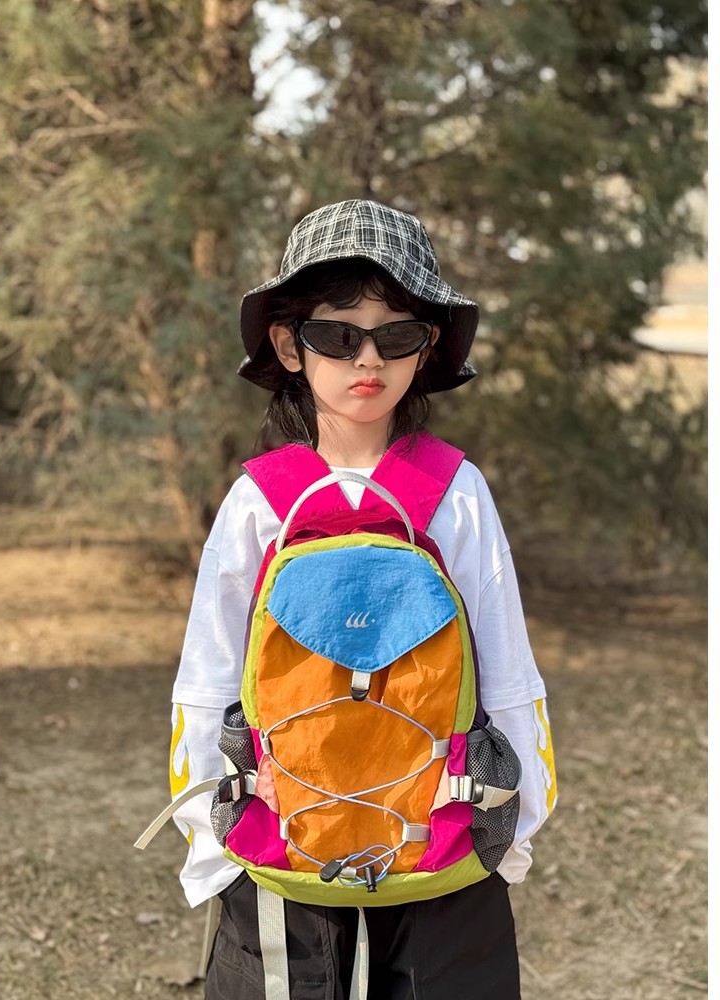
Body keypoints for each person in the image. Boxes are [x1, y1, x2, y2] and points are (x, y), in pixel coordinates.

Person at [169, 199, 557, 999]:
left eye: (397, 336)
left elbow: (506, 665)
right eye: (338, 336)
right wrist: (209, 830)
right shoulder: (258, 502)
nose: (368, 358)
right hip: (285, 827)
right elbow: (208, 676)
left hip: (440, 827)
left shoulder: (457, 492)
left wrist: (511, 824)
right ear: (290, 344)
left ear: (428, 348)